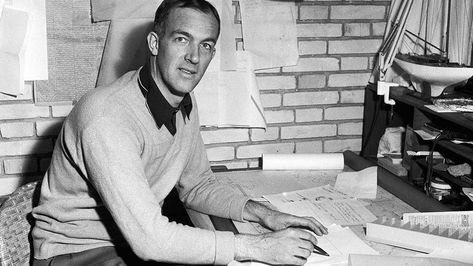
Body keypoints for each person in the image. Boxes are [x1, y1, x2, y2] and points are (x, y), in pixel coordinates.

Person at [31, 0, 328, 265]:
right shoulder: (106, 118)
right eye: (182, 39)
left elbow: (197, 185)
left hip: (131, 240)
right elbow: (151, 239)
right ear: (154, 43)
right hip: (76, 251)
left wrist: (264, 214)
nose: (194, 57)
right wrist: (257, 246)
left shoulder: (183, 101)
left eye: (206, 45)